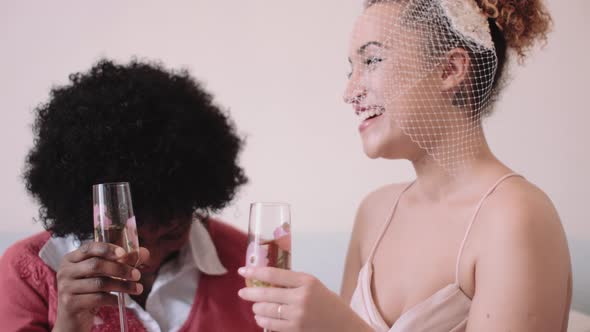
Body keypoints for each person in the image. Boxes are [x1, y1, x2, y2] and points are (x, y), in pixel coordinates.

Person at [238, 0, 572, 331]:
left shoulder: (517, 216)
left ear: (450, 70)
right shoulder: (374, 212)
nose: (350, 91)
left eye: (372, 60)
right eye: (351, 69)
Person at [0, 59, 259, 332]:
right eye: (132, 240)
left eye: (172, 234)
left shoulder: (245, 260)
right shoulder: (27, 271)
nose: (149, 259)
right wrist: (70, 325)